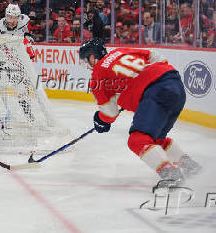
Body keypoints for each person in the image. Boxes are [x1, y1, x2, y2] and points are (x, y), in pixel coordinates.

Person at [79, 38, 201, 188]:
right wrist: (136, 87)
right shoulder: (120, 51)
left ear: (92, 57)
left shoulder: (98, 74)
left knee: (138, 140)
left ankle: (172, 175)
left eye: (86, 60)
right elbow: (158, 57)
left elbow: (110, 113)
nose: (87, 65)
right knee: (154, 139)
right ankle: (189, 165)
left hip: (156, 93)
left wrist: (99, 120)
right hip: (175, 83)